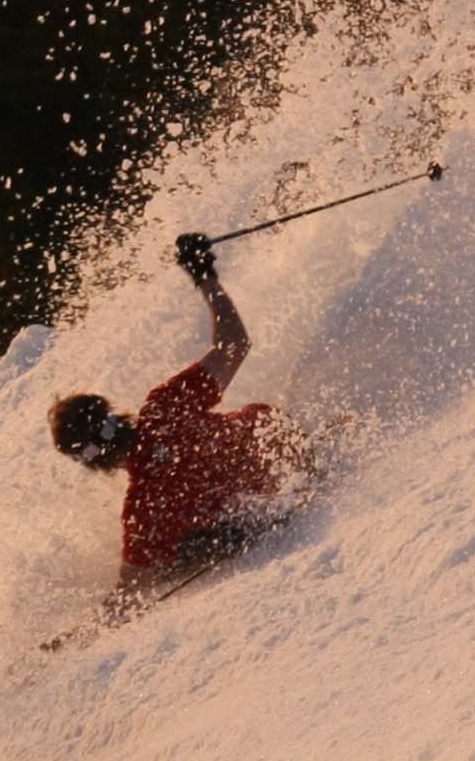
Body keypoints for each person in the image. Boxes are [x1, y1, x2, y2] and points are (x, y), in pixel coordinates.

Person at [51, 232, 298, 593]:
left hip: (268, 501)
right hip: (283, 439)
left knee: (180, 555)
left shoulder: (144, 507)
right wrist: (204, 275)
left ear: (92, 461)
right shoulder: (164, 406)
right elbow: (234, 345)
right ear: (113, 415)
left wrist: (74, 641)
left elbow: (129, 597)